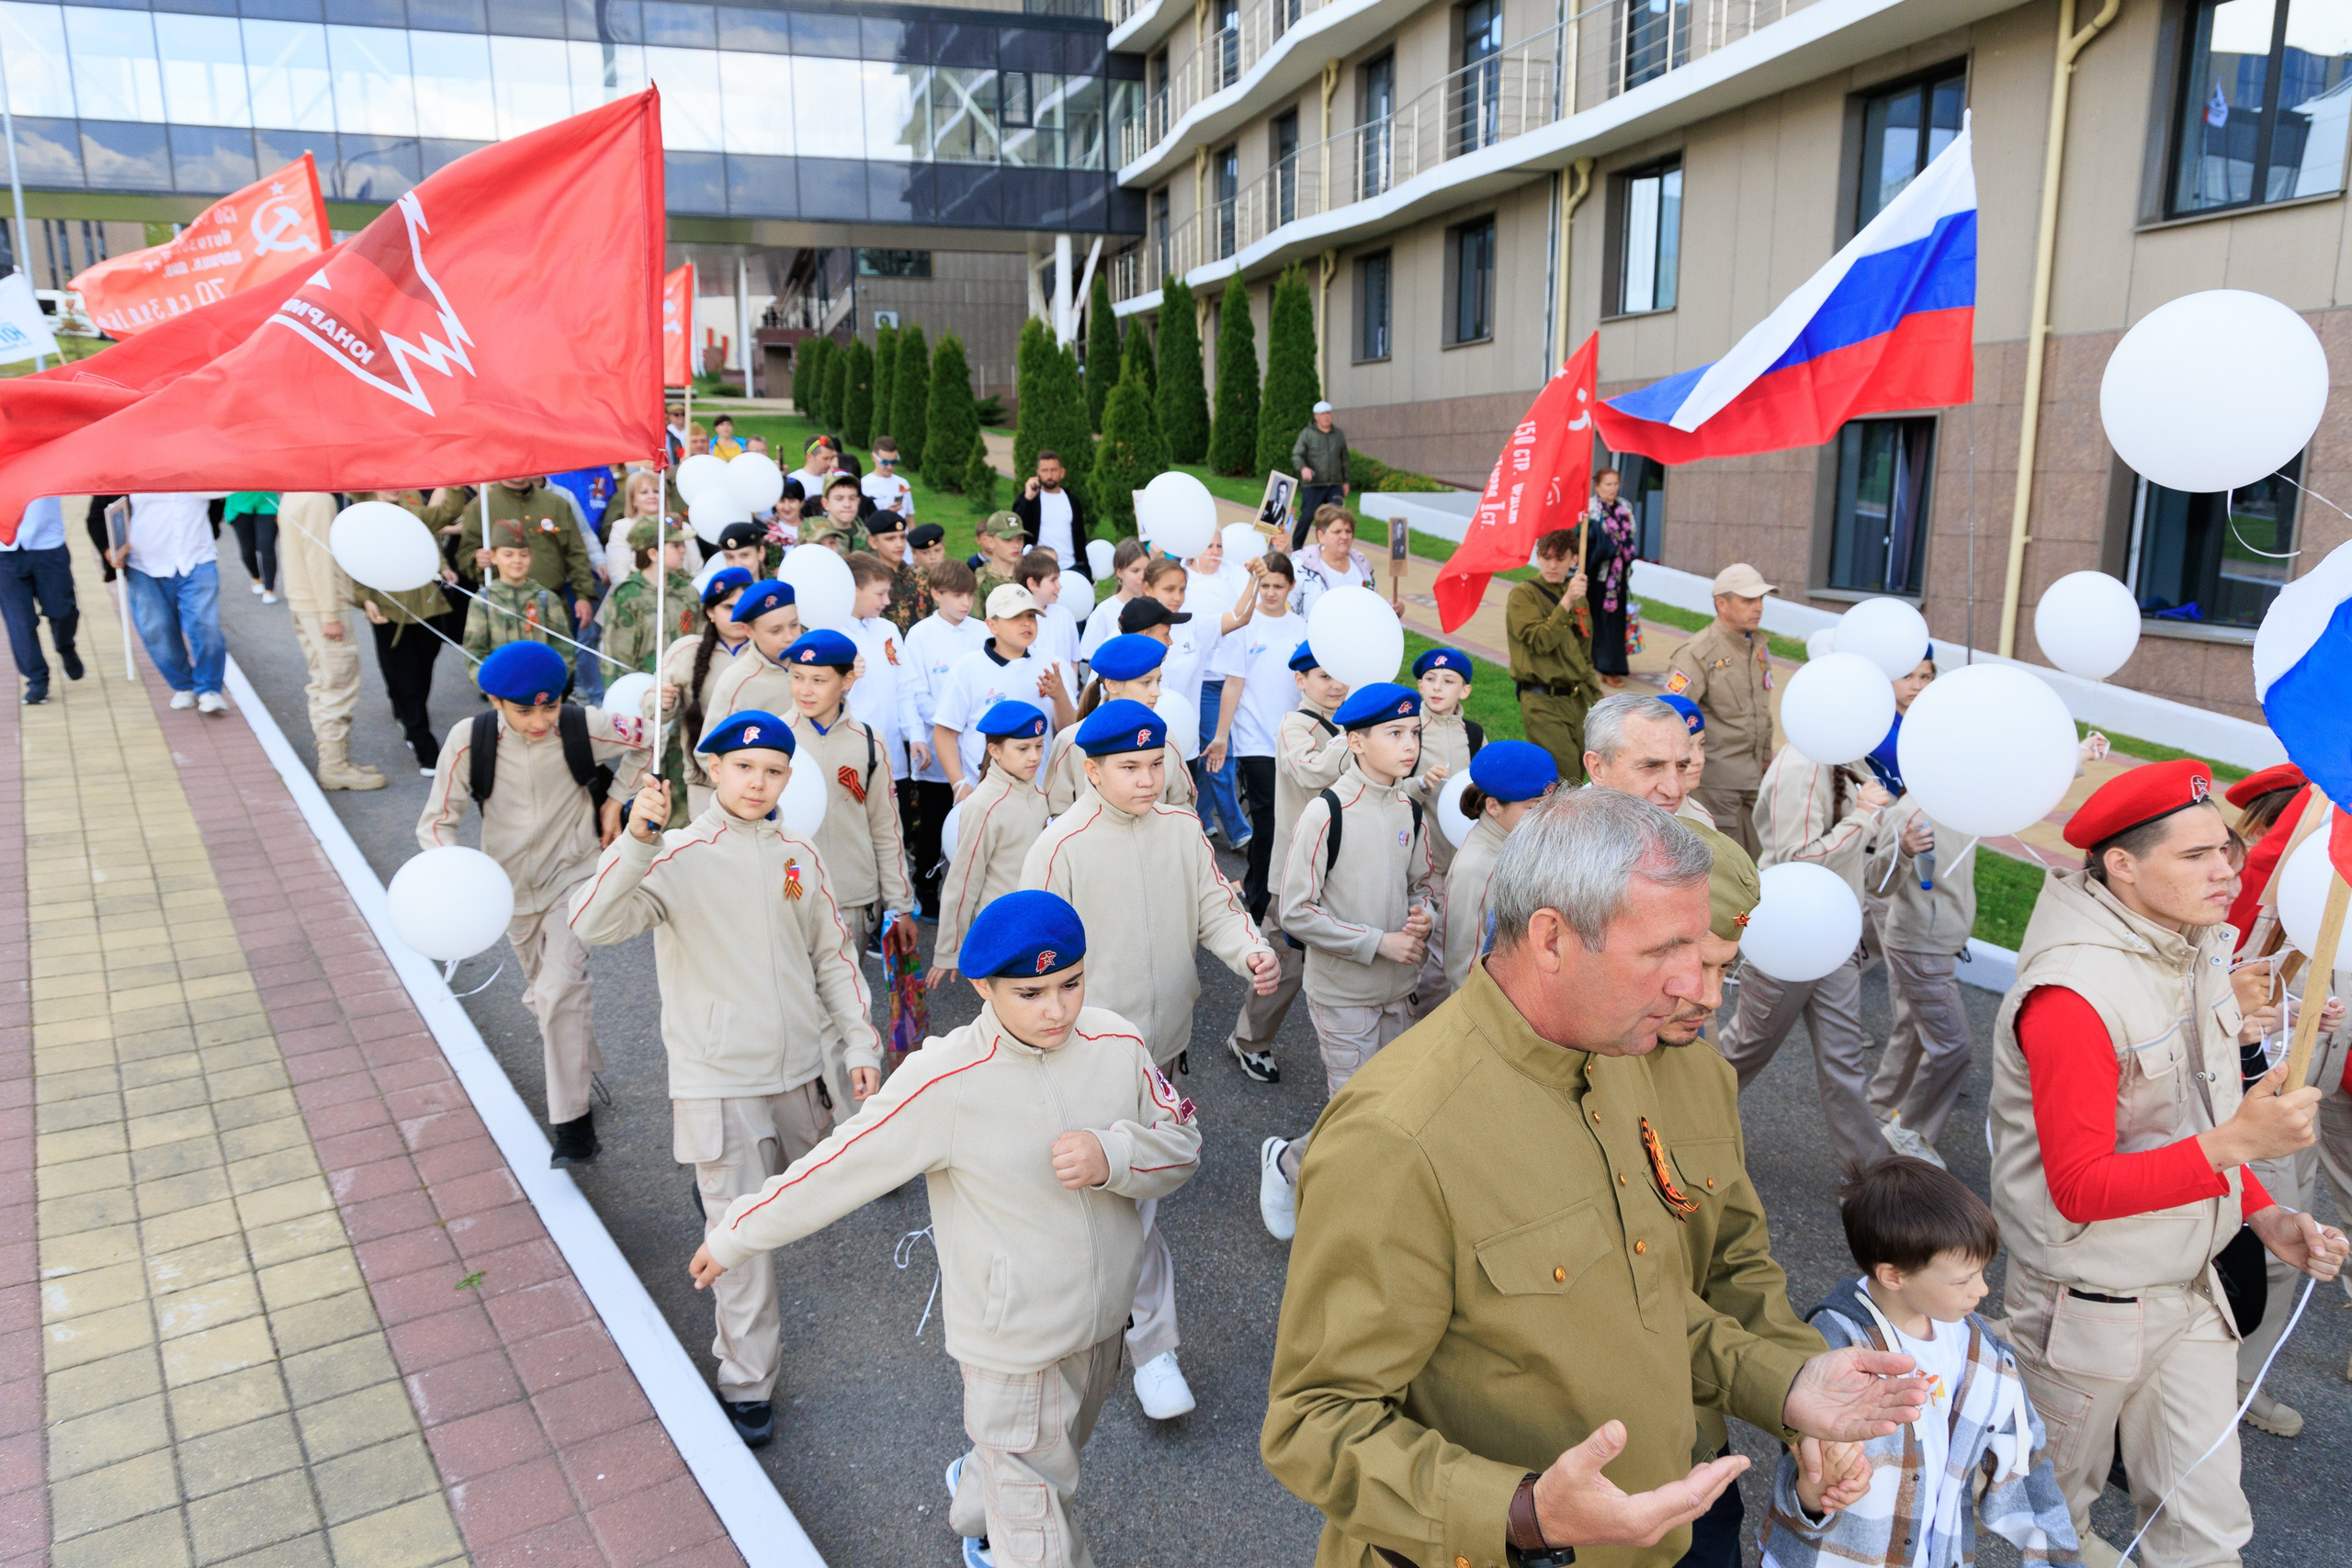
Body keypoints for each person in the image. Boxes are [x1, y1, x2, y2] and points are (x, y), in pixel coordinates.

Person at [1263, 786, 1930, 1568]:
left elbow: (1641, 1304)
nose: (1699, 987)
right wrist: (1521, 1512)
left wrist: (1786, 1384)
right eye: (1663, 951)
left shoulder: (1614, 1057)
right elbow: (1313, 1421)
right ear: (1551, 938)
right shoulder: (1397, 1134)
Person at [690, 889, 1202, 1568]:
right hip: (1010, 1347)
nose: (1057, 1009)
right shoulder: (944, 1078)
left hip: (1103, 1328)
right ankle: (1002, 1511)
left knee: (1049, 1456)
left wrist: (1115, 1155)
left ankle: (978, 1492)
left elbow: (1184, 1141)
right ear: (984, 986)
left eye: (1071, 984)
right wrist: (735, 1232)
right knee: (1044, 1530)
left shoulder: (1117, 1041)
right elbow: (839, 1166)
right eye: (1031, 992)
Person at [1995, 762, 2351, 1563]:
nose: (2227, 869)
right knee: (2057, 1526)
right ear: (2122, 864)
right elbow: (2079, 1185)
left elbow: (2192, 1115)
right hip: (2087, 1306)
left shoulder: (2187, 952)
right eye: (2196, 857)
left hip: (2192, 1291)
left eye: (2226, 848)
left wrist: (2267, 1212)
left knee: (2206, 1531)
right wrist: (2237, 1147)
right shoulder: (2072, 995)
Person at [570, 709, 876, 1448]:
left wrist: (860, 1041)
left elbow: (834, 957)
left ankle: (718, 1190)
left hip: (801, 1073)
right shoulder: (673, 854)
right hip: (718, 1081)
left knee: (800, 1196)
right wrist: (637, 839)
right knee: (741, 1239)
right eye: (744, 768)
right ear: (711, 768)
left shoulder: (798, 852)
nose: (759, 782)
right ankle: (747, 1380)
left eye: (774, 770)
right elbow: (590, 921)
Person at [1020, 699, 1277, 1422]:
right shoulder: (1059, 848)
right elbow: (1027, 965)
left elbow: (1217, 906)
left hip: (1164, 1052)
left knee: (1131, 1201)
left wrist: (1249, 948)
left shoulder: (1181, 829)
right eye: (1128, 767)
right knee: (1127, 1206)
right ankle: (1152, 1345)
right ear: (1090, 771)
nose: (1146, 778)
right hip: (1085, 1059)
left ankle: (1114, 1319)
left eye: (1155, 762)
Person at [1761, 1159, 2083, 1568]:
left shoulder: (1979, 1348)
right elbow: (1800, 1479)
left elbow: (2025, 1465)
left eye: (1983, 1272)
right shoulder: (1830, 1346)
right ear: (1894, 1276)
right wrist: (1814, 1494)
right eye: (1963, 1281)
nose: (1982, 1290)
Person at [418, 642, 650, 1163]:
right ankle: (579, 1067)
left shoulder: (579, 726)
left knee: (561, 984)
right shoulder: (467, 740)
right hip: (506, 893)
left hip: (576, 877)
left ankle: (573, 1126)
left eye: (550, 706)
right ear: (496, 701)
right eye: (525, 710)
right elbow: (438, 821)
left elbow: (649, 739)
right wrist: (453, 873)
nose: (541, 720)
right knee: (546, 996)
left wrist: (617, 798)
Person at [1258, 682, 1437, 1239]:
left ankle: (1301, 1161)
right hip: (1341, 992)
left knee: (1385, 1107)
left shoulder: (1409, 805)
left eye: (1414, 733)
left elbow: (1422, 881)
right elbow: (1296, 912)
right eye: (1394, 734)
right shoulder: (1327, 811)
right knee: (1356, 1114)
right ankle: (1301, 1178)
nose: (1409, 745)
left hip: (1396, 989)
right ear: (1355, 742)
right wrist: (1378, 942)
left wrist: (1422, 915)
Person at [1713, 732, 1893, 1177]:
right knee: (1745, 1048)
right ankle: (1678, 1125)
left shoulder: (1844, 756)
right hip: (1791, 933)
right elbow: (1797, 858)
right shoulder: (1803, 767)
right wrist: (1865, 817)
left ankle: (1872, 1177)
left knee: (1844, 1059)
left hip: (1834, 933)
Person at [1859, 659, 1976, 1167]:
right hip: (1919, 943)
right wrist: (1904, 849)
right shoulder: (1912, 811)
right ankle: (1909, 1130)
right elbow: (1877, 883)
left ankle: (1880, 1107)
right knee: (1954, 1049)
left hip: (1939, 938)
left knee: (1914, 1029)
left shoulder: (1964, 800)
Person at [1225, 632, 1348, 1085]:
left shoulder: (1350, 724)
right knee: (1284, 961)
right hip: (1296, 867)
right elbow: (1312, 769)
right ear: (1301, 680)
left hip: (1342, 862)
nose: (1335, 685)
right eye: (1323, 676)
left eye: (1341, 675)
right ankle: (1249, 1038)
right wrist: (1353, 737)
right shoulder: (1297, 725)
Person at [780, 630, 915, 997]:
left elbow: (886, 829)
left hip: (855, 900)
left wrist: (900, 904)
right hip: (789, 895)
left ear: (847, 680)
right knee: (798, 1002)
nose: (804, 690)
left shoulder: (870, 743)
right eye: (797, 677)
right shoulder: (775, 740)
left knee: (845, 1001)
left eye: (818, 680)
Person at [1209, 557, 1311, 925]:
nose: (1270, 593)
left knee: (1296, 822)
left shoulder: (1303, 627)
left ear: (1291, 587)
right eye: (1264, 585)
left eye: (1278, 586)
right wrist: (1222, 736)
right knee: (1267, 823)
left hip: (1295, 740)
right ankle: (1259, 903)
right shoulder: (1244, 626)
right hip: (1255, 741)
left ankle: (1287, 893)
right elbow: (1233, 683)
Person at [932, 702, 1052, 984]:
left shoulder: (1036, 789)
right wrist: (949, 949)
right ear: (995, 751)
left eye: (1039, 746)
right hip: (1004, 931)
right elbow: (963, 880)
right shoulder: (983, 804)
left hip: (1038, 921)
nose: (1034, 756)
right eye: (1023, 749)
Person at [274, 492, 386, 792]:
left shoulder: (294, 495)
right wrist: (329, 613)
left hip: (304, 601)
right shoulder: (318, 499)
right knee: (339, 682)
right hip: (320, 605)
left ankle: (336, 760)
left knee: (324, 681)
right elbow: (318, 557)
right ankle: (335, 766)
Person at [1664, 564, 1777, 854]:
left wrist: (1765, 757)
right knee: (1726, 866)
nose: (1759, 607)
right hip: (1716, 782)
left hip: (1754, 778)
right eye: (1748, 600)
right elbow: (1672, 719)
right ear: (1721, 604)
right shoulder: (1697, 654)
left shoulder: (1758, 645)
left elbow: (1761, 710)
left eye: (1761, 600)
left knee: (1756, 861)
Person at [932, 584, 1076, 804]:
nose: (1026, 623)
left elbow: (1068, 732)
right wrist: (958, 783)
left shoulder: (1051, 664)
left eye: (1031, 615)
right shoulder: (968, 668)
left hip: (1041, 792)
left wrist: (1059, 696)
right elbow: (944, 732)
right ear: (992, 625)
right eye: (1015, 617)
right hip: (986, 793)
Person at [901, 560, 989, 917]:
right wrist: (947, 721)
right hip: (939, 748)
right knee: (935, 821)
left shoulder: (983, 631)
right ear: (936, 594)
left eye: (969, 595)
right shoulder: (920, 635)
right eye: (956, 596)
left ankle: (974, 887)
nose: (965, 603)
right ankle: (926, 886)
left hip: (976, 746)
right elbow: (915, 690)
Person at [1440, 740, 1556, 996]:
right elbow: (1463, 965)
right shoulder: (1474, 868)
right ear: (1493, 806)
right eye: (1535, 806)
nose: (1546, 815)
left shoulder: (1518, 839)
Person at [1404, 646, 1478, 1011]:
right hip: (1417, 857)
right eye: (1430, 679)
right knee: (1415, 937)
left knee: (1449, 942)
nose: (1437, 687)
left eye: (1449, 681)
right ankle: (1403, 1013)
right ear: (1419, 685)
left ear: (1464, 691)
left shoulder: (1474, 735)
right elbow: (1385, 791)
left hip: (1459, 860)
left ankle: (1426, 1013)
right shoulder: (1409, 730)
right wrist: (1420, 784)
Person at [1042, 634, 1193, 813]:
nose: (1157, 692)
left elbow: (1182, 804)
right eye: (1146, 683)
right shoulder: (1071, 741)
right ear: (1112, 685)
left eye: (1158, 681)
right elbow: (1057, 812)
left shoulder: (1163, 736)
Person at [110, 492, 228, 714]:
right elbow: (102, 511)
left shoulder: (201, 467)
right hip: (143, 565)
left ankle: (209, 688)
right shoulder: (129, 465)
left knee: (205, 625)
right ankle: (183, 685)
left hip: (197, 558)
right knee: (157, 628)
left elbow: (218, 501)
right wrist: (110, 548)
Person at [1505, 527, 1599, 784]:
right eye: (1547, 557)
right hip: (1541, 700)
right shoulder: (1524, 595)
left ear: (1574, 560)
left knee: (1584, 769)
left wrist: (1600, 701)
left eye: (1560, 558)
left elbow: (1583, 657)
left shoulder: (1579, 598)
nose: (1553, 565)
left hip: (1576, 701)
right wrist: (1567, 601)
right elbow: (1539, 641)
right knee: (1564, 778)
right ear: (1538, 557)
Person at [662, 568, 755, 822]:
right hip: (705, 779)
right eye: (728, 607)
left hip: (760, 779)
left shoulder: (769, 650)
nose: (737, 614)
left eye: (744, 606)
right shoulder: (686, 651)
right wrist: (663, 702)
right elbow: (654, 711)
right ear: (711, 612)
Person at [456, 478, 597, 625]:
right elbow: (464, 555)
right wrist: (477, 559)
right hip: (503, 609)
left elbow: (576, 553)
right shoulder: (481, 507)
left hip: (552, 606)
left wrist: (583, 596)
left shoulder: (556, 503)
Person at [463, 519, 576, 682]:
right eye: (508, 554)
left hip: (542, 684)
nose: (517, 560)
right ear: (493, 557)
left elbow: (563, 646)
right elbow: (475, 651)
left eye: (524, 554)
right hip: (502, 685)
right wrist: (489, 684)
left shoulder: (546, 599)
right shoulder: (483, 601)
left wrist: (555, 681)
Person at [0, 497, 83, 705]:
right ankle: (37, 680)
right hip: (4, 551)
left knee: (63, 611)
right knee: (20, 622)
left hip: (47, 543)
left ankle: (65, 646)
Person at [1585, 692, 1709, 823]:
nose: (1674, 791)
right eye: (1652, 766)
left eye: (1681, 767)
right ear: (1597, 768)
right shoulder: (1564, 839)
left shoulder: (1702, 826)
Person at [597, 518, 699, 675]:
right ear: (653, 553)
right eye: (675, 545)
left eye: (683, 545)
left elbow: (699, 640)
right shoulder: (628, 595)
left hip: (683, 685)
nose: (683, 550)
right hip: (642, 688)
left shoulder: (688, 591)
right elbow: (617, 656)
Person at [703, 579, 803, 728]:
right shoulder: (736, 681)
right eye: (776, 631)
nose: (789, 637)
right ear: (749, 631)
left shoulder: (817, 662)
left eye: (794, 625)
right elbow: (710, 750)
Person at [1584, 468, 1639, 688]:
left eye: (1616, 483)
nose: (1613, 488)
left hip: (1618, 576)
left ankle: (1615, 665)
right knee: (1599, 619)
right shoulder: (1591, 510)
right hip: (1598, 576)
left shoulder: (1624, 507)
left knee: (1616, 621)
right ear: (1597, 486)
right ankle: (1604, 666)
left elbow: (1631, 536)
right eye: (1608, 484)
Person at [1015, 448, 1091, 583]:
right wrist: (1027, 499)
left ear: (1062, 472)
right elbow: (1018, 526)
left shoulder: (1072, 500)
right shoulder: (1031, 499)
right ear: (1037, 473)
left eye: (1053, 470)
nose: (1049, 475)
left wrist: (1087, 573)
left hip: (1071, 567)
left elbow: (1080, 537)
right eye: (1044, 470)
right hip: (1040, 569)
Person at [1017, 547, 1085, 683]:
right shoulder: (1015, 620)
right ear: (1032, 584)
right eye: (1053, 580)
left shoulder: (1065, 615)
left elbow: (1074, 660)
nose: (1059, 586)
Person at [1079, 538, 1151, 662]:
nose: (1142, 576)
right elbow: (1092, 659)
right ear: (1119, 572)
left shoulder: (1154, 606)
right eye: (1135, 571)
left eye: (1146, 570)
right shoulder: (1104, 611)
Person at [1291, 505, 1370, 614]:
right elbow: (1289, 608)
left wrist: (1390, 608)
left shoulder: (1362, 564)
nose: (1344, 536)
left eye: (1348, 531)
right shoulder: (1301, 566)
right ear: (1321, 536)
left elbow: (1373, 601)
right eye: (1337, 532)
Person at [865, 510, 930, 634]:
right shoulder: (867, 584)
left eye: (902, 537)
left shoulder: (919, 581)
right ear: (873, 542)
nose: (899, 544)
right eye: (890, 539)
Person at [1290, 399, 1350, 533]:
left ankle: (1332, 547)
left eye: (1328, 413)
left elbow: (1344, 458)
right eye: (1322, 414)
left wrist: (1346, 481)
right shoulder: (1307, 434)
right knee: (1308, 516)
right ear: (1316, 416)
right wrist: (1303, 468)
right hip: (1314, 484)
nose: (1326, 416)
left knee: (1336, 517)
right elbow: (1296, 455)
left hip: (1335, 484)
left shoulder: (1338, 434)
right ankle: (1297, 547)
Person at [224, 491, 280, 603]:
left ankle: (269, 589)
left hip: (266, 500)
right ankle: (256, 578)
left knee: (266, 545)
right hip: (239, 502)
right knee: (247, 550)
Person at [973, 511, 1029, 604]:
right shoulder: (980, 582)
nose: (1016, 545)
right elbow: (976, 618)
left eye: (1019, 538)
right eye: (1007, 539)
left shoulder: (1030, 574)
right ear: (991, 542)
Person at [863, 436, 914, 520]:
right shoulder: (863, 485)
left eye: (893, 462)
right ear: (873, 457)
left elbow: (909, 518)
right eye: (885, 462)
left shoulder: (903, 483)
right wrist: (887, 514)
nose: (890, 466)